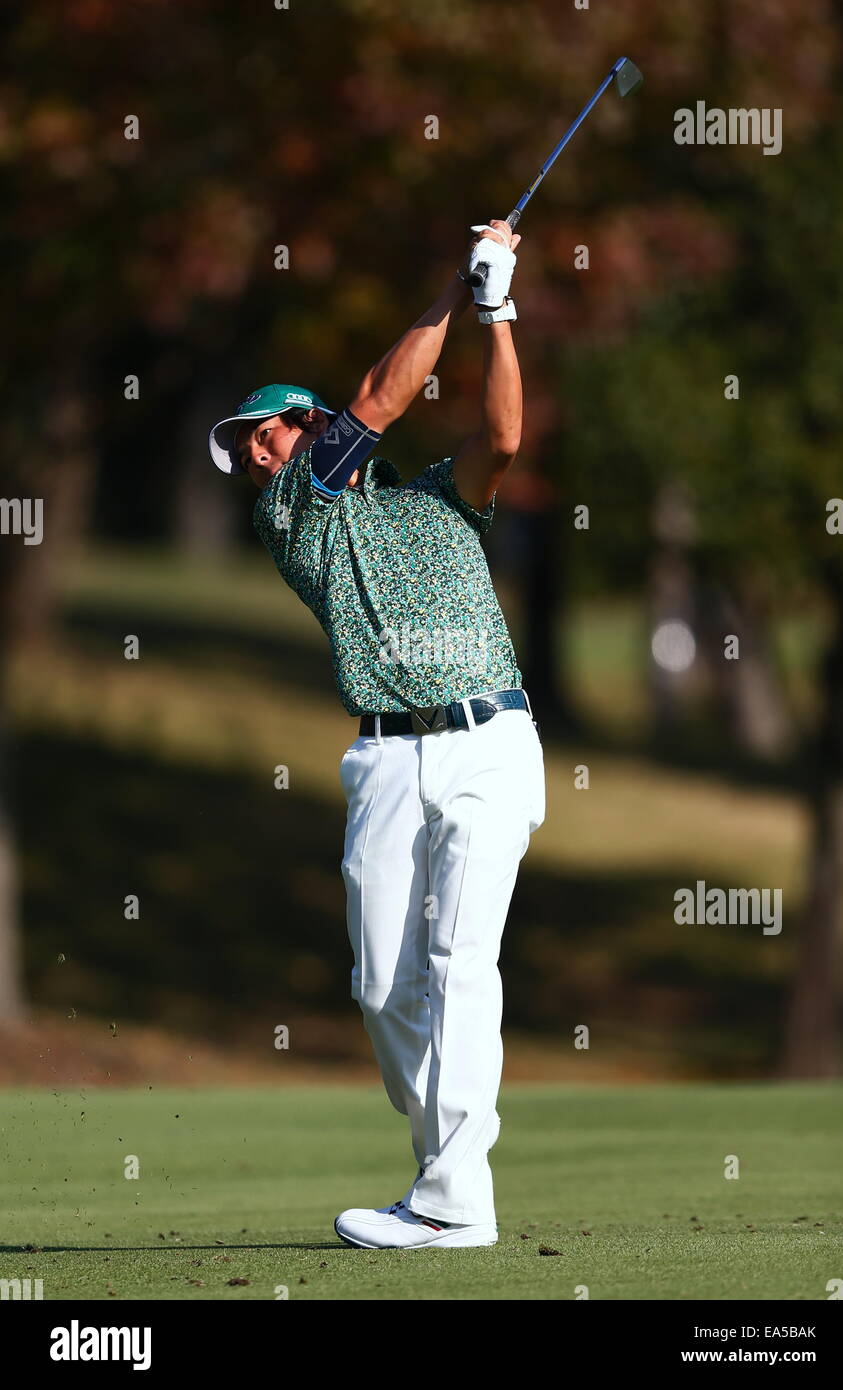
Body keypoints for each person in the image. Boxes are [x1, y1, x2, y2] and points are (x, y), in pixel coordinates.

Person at [208, 220, 545, 1249]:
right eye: (246, 451)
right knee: (382, 987)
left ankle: (452, 1202)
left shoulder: (441, 501)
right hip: (386, 758)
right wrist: (453, 283)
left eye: (267, 433)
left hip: (489, 743)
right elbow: (382, 395)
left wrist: (494, 313)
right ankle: (446, 1170)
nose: (257, 455)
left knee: (455, 960)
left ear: (303, 426)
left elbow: (502, 439)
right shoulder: (297, 519)